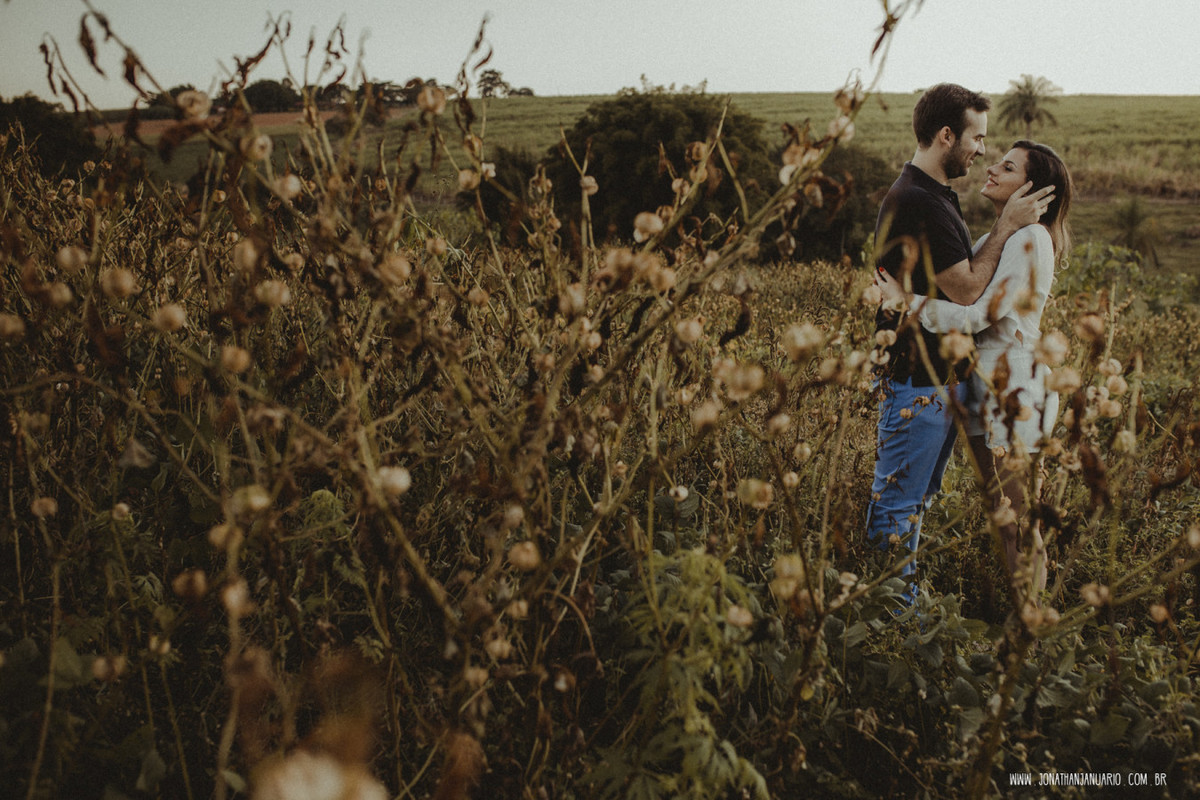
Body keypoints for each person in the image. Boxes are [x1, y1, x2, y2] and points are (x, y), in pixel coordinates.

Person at [866, 84, 1054, 605]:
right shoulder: (920, 200)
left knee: (1006, 517)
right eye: (977, 138)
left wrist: (908, 304)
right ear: (946, 135)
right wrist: (1005, 224)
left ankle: (1029, 625)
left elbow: (975, 303)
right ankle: (895, 622)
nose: (984, 154)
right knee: (905, 507)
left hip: (979, 387)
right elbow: (971, 290)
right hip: (922, 383)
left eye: (1004, 160)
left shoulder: (951, 204)